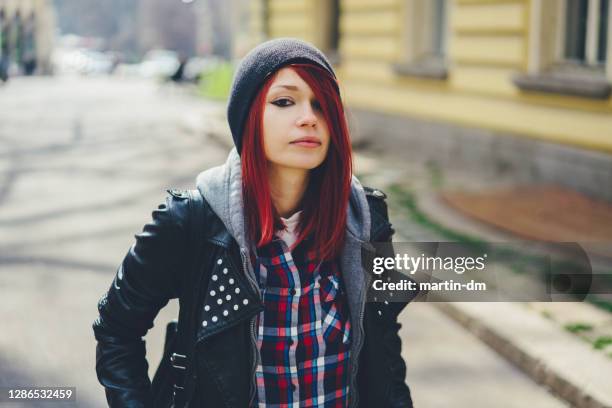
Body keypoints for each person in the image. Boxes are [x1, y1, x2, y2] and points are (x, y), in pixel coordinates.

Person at [93, 37, 415, 408]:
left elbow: (385, 348)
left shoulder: (366, 220)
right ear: (248, 117)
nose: (309, 117)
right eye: (284, 101)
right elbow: (117, 330)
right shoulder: (191, 220)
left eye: (322, 105)